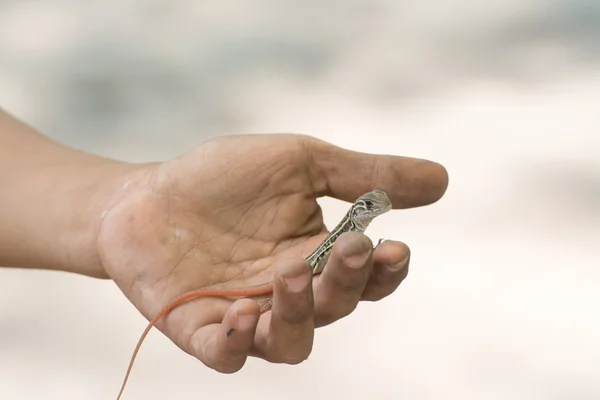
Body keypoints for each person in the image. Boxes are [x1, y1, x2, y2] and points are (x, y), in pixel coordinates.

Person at [0, 108, 448, 372]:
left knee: (318, 272)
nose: (373, 207)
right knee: (303, 278)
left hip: (308, 261)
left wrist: (123, 207)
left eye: (371, 206)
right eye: (369, 206)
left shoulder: (352, 226)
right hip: (305, 264)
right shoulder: (354, 223)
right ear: (361, 211)